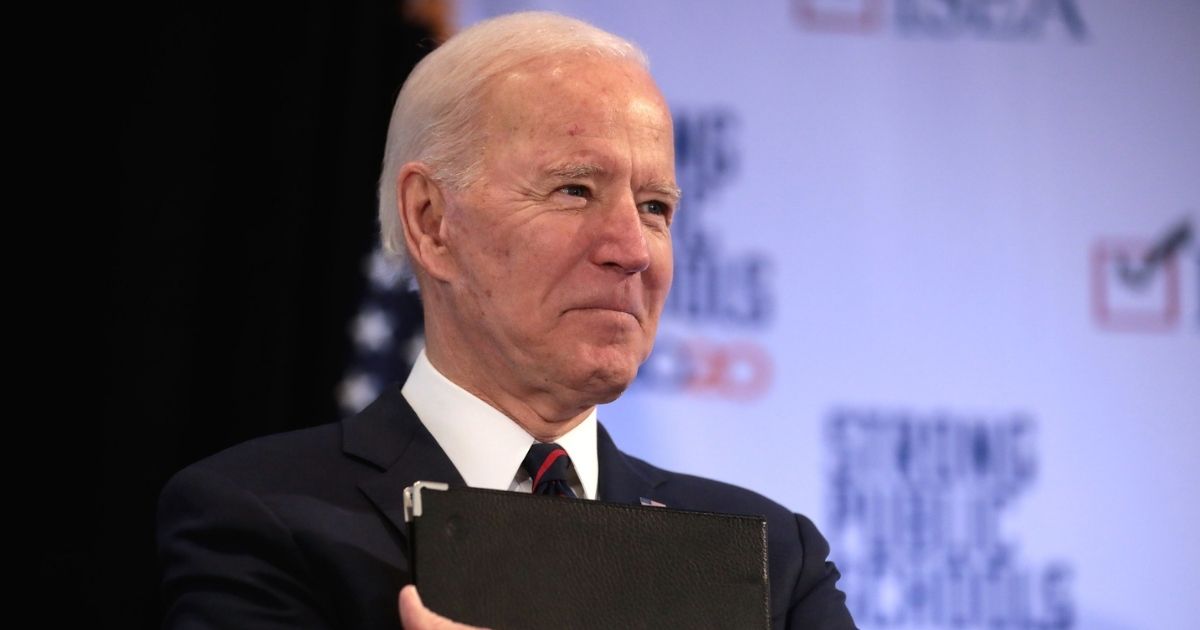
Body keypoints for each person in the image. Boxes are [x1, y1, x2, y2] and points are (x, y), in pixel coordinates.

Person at [157, 11, 857, 630]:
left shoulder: (772, 559)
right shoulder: (264, 518)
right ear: (432, 223)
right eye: (575, 189)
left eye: (655, 207)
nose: (632, 251)